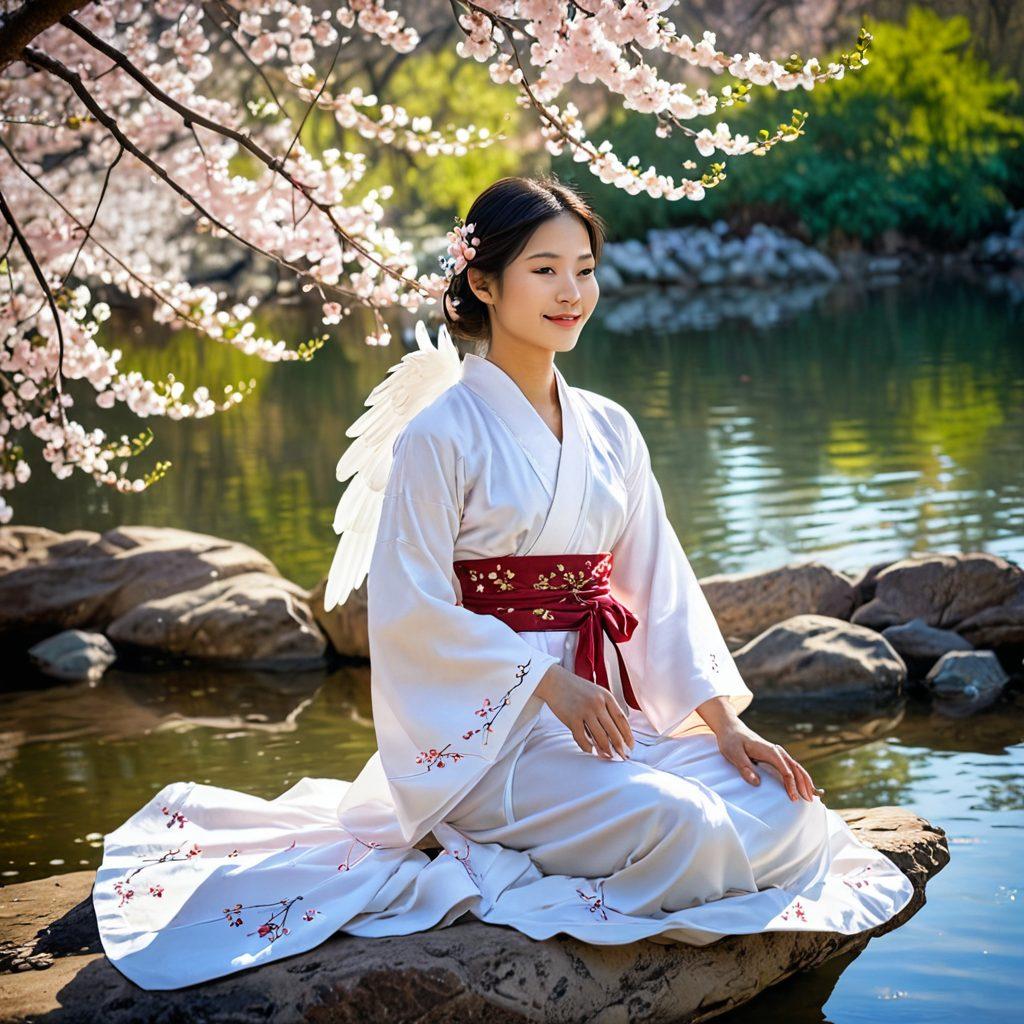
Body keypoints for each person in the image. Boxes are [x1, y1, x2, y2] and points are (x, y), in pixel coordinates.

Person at [91, 175, 915, 991]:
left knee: (789, 809)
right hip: (489, 737)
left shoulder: (611, 429)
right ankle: (484, 847)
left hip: (604, 716)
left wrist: (721, 726)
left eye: (585, 268)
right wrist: (544, 680)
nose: (572, 292)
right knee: (687, 828)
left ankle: (604, 827)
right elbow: (409, 609)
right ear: (482, 283)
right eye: (545, 269)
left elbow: (659, 584)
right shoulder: (439, 435)